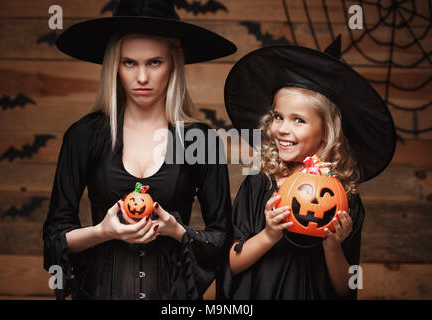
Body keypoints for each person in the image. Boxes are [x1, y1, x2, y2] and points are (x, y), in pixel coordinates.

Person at [43, 0, 236, 300]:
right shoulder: (84, 136)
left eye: (154, 62)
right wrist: (104, 232)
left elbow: (222, 239)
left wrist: (177, 231)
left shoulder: (201, 140)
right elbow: (54, 238)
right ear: (114, 66)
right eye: (129, 62)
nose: (142, 77)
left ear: (174, 62)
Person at [218, 36, 396, 300]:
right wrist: (268, 235)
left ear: (325, 133)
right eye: (278, 117)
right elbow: (231, 262)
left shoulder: (345, 200)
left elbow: (346, 287)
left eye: (298, 120)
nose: (282, 129)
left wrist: (333, 247)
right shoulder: (260, 184)